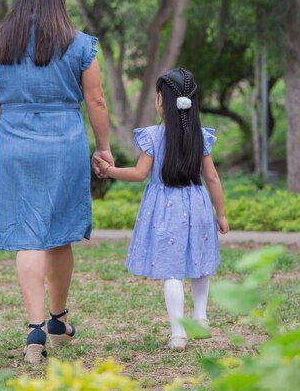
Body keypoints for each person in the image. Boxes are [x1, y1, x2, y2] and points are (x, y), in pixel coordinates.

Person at [0, 0, 113, 363]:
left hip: (15, 142)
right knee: (59, 232)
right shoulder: (81, 44)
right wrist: (103, 147)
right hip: (65, 142)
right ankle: (57, 319)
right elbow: (97, 101)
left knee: (28, 235)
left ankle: (35, 328)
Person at [94, 67, 229, 350]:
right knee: (200, 263)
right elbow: (213, 177)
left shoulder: (154, 136)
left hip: (166, 208)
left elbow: (139, 173)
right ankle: (201, 317)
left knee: (172, 271)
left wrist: (109, 170)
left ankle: (178, 333)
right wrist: (221, 213)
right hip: (198, 205)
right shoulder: (200, 137)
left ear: (161, 102)